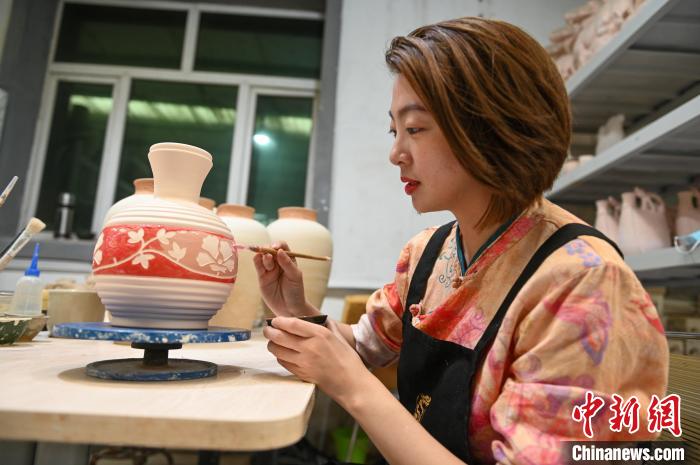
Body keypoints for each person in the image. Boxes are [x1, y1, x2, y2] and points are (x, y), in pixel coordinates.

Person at [254, 17, 669, 465]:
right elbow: (365, 344)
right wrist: (298, 308)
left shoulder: (582, 284)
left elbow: (353, 372)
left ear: (491, 127)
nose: (396, 154)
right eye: (394, 131)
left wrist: (354, 388)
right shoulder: (426, 254)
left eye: (415, 129)